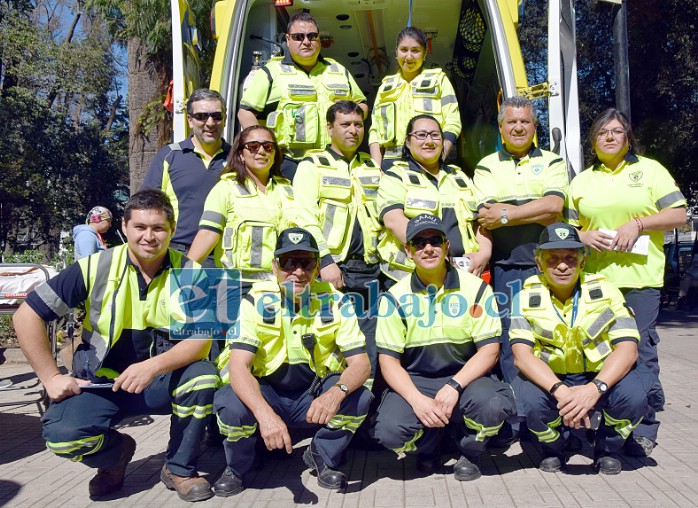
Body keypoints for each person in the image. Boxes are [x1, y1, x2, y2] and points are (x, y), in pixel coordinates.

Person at [12, 189, 219, 502]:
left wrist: (151, 366)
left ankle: (179, 468)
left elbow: (201, 343)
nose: (149, 236)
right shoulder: (95, 266)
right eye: (140, 227)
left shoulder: (193, 273)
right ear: (124, 227)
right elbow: (27, 315)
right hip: (98, 383)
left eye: (159, 228)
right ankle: (115, 455)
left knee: (204, 375)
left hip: (159, 381)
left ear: (172, 230)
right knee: (62, 438)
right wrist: (50, 377)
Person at [212, 227, 372, 496]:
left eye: (306, 262)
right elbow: (238, 366)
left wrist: (335, 393)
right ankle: (239, 466)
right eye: (289, 262)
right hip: (267, 393)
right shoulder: (255, 300)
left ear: (318, 266)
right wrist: (265, 416)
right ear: (275, 266)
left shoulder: (335, 300)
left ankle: (322, 455)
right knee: (230, 405)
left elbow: (361, 364)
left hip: (312, 395)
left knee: (360, 398)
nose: (298, 271)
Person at [566, 108, 687, 457]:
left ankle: (644, 428)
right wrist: (583, 236)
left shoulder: (650, 171)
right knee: (594, 354)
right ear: (593, 140)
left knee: (642, 353)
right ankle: (596, 424)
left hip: (639, 282)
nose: (609, 137)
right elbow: (567, 229)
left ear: (628, 137)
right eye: (602, 132)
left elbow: (679, 215)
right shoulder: (582, 181)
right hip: (594, 284)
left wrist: (639, 224)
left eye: (616, 131)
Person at [372, 214, 515, 481]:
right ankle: (431, 445)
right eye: (419, 243)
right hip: (418, 380)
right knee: (389, 433)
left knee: (492, 405)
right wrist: (417, 401)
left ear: (447, 246)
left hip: (467, 379)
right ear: (408, 251)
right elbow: (388, 362)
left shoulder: (476, 289)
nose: (428, 248)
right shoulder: (394, 297)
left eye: (435, 241)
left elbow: (490, 350)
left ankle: (468, 449)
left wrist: (454, 386)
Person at [509, 223, 646, 474]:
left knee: (635, 397)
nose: (562, 265)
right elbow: (522, 357)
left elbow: (628, 349)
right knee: (528, 400)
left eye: (571, 258)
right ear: (539, 264)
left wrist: (595, 389)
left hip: (599, 375)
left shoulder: (608, 292)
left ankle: (607, 447)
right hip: (553, 377)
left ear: (582, 263)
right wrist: (561, 391)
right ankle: (555, 447)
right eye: (553, 259)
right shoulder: (524, 298)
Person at [472, 96, 569, 418]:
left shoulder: (554, 162)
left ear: (534, 127)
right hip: (506, 269)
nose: (518, 127)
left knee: (549, 339)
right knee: (510, 341)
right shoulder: (487, 166)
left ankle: (551, 413)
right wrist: (533, 211)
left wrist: (507, 214)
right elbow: (485, 214)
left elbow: (555, 207)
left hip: (550, 268)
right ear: (501, 128)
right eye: (511, 122)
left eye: (525, 121)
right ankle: (517, 418)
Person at [293, 100, 382, 377]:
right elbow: (303, 217)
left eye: (358, 125)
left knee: (369, 347)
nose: (353, 131)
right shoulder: (311, 165)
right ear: (330, 128)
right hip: (331, 271)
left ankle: (364, 413)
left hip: (369, 269)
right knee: (329, 343)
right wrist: (325, 262)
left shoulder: (371, 166)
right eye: (345, 124)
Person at [237, 12, 368, 181]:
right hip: (291, 162)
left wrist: (350, 118)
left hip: (336, 160)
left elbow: (362, 104)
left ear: (319, 39)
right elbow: (246, 112)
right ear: (288, 39)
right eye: (299, 37)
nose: (306, 42)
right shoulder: (271, 72)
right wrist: (265, 148)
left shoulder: (338, 70)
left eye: (312, 36)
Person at [377, 114, 488, 285]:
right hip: (408, 277)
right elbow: (393, 220)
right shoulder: (396, 176)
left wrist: (484, 253)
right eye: (421, 135)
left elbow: (482, 220)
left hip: (462, 275)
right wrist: (436, 256)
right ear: (408, 141)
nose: (429, 141)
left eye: (435, 135)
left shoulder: (460, 177)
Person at [142, 88, 231, 255]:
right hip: (178, 253)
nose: (210, 123)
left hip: (226, 258)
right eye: (202, 116)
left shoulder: (238, 158)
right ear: (190, 120)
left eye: (217, 116)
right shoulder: (169, 156)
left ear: (225, 119)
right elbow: (147, 206)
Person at [369, 26, 461, 170]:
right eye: (404, 50)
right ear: (396, 52)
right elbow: (374, 131)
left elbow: (453, 123)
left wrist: (438, 160)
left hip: (428, 161)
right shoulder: (385, 87)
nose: (409, 56)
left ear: (424, 54)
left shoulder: (439, 80)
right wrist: (377, 169)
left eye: (416, 50)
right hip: (390, 164)